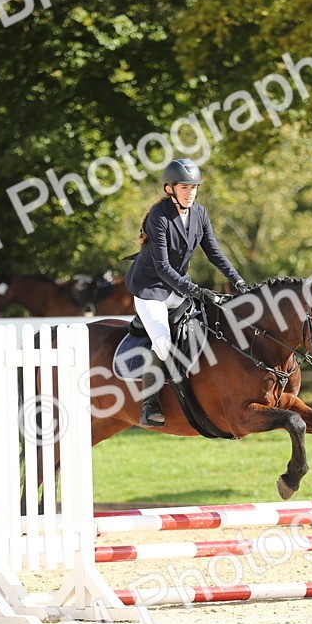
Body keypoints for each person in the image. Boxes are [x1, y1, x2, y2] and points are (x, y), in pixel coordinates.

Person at [124, 158, 249, 427]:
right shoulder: (159, 217)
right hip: (150, 290)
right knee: (162, 343)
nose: (190, 192)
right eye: (184, 187)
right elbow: (162, 266)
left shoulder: (200, 214)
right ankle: (150, 403)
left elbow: (214, 252)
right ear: (170, 189)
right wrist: (196, 290)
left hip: (178, 286)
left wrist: (237, 280)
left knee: (208, 326)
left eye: (194, 187)